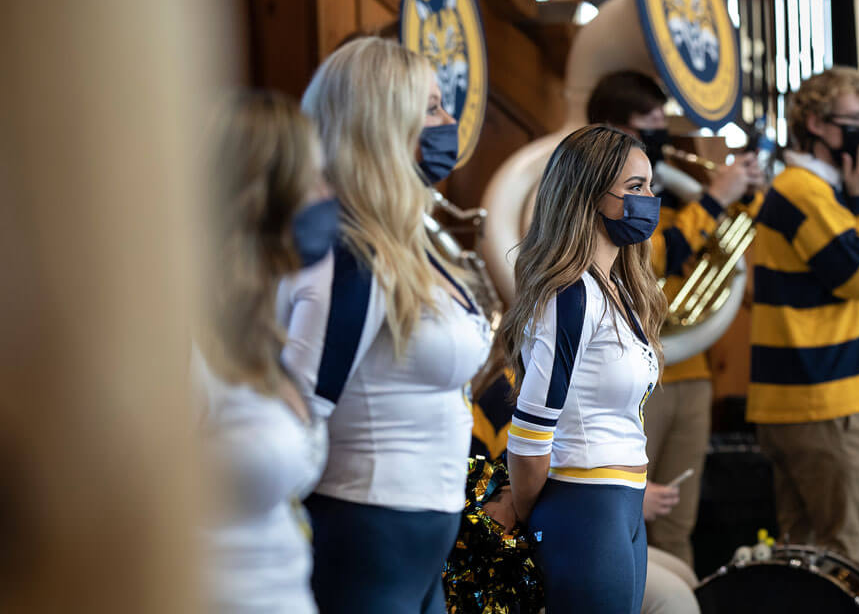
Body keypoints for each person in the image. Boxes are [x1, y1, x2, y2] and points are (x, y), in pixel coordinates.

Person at [297, 37, 493, 614]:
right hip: (369, 529)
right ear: (383, 126)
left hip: (421, 536)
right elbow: (303, 407)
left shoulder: (410, 241)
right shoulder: (352, 254)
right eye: (431, 107)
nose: (449, 121)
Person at [586, 70, 764, 565]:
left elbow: (720, 259)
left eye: (663, 120)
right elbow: (647, 260)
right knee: (622, 518)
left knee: (678, 525)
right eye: (649, 123)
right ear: (611, 128)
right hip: (630, 373)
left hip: (692, 369)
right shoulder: (595, 195)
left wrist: (739, 198)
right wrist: (713, 201)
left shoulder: (676, 191)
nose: (662, 133)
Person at [497, 125, 665, 614]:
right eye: (635, 188)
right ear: (589, 194)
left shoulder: (619, 289)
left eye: (650, 186)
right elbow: (530, 430)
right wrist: (532, 512)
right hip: (583, 505)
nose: (649, 200)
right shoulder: (569, 295)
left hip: (623, 504)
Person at [198, 90, 337, 613]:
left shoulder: (254, 330)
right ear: (262, 197)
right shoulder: (185, 344)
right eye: (314, 180)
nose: (328, 195)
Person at [747, 66, 859, 569]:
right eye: (853, 119)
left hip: (810, 399)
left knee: (805, 563)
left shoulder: (816, 190)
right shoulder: (804, 190)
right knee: (847, 561)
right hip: (823, 401)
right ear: (814, 123)